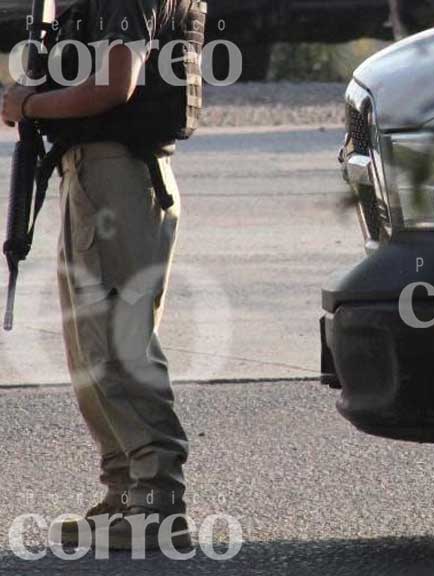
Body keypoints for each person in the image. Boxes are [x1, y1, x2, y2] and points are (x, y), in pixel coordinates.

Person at [2, 0, 204, 552]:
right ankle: (125, 493)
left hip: (119, 176)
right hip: (94, 172)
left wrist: (30, 101)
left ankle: (157, 499)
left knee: (118, 342)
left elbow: (116, 85)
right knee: (91, 347)